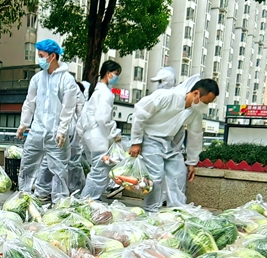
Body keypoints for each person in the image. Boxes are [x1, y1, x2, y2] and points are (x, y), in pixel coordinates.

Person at [128, 76, 219, 211]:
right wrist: (136, 142)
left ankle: (177, 210)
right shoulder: (167, 96)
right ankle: (151, 210)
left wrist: (192, 162)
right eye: (205, 102)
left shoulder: (195, 112)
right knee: (156, 177)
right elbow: (140, 114)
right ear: (196, 94)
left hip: (170, 143)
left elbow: (195, 135)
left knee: (178, 174)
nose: (205, 106)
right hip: (150, 139)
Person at [15, 39, 78, 203]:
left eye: (41, 56)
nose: (39, 59)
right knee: (27, 165)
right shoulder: (37, 79)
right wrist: (24, 124)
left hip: (56, 133)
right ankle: (23, 199)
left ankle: (60, 203)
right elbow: (29, 103)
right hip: (36, 131)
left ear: (52, 56)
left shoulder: (66, 80)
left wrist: (62, 130)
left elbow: (68, 107)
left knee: (59, 170)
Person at [79, 61, 123, 200]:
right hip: (98, 137)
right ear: (108, 73)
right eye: (116, 74)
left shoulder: (95, 90)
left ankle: (88, 200)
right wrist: (115, 134)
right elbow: (103, 118)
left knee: (97, 171)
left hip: (90, 135)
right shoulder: (106, 93)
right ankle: (87, 201)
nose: (117, 77)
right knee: (99, 173)